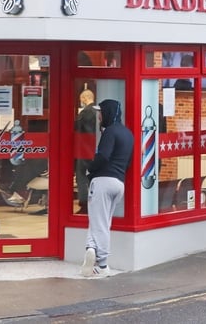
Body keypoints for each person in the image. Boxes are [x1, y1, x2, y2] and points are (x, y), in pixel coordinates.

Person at [80, 99, 133, 278]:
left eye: (101, 112)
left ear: (109, 113)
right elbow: (130, 162)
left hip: (102, 181)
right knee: (100, 221)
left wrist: (89, 169)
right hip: (118, 183)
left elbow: (103, 156)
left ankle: (102, 265)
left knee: (99, 223)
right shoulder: (128, 134)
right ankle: (91, 249)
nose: (99, 116)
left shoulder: (110, 132)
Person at [74, 89, 96, 214]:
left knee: (81, 177)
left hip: (84, 150)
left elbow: (76, 128)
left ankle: (84, 204)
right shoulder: (98, 111)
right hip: (95, 149)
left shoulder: (85, 112)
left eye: (81, 99)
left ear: (84, 98)